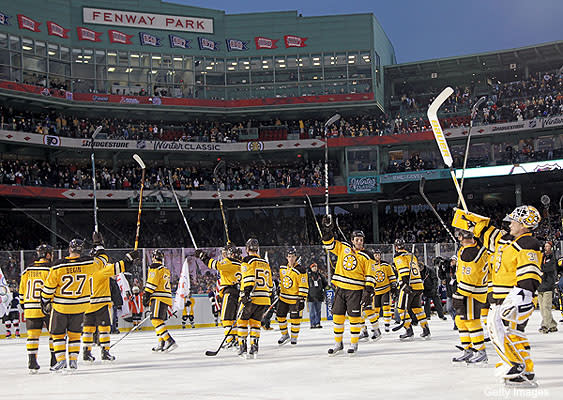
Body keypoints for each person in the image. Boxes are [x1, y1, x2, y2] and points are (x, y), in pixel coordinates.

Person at [453, 205, 542, 386]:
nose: (509, 224)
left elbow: (530, 273)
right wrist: (471, 222)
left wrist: (522, 295)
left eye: (514, 222)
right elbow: (486, 233)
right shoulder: (505, 240)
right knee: (509, 333)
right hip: (501, 298)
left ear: (524, 225)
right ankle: (524, 368)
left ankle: (516, 366)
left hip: (514, 297)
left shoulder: (528, 244)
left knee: (508, 333)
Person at [41, 237, 136, 372]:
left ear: (69, 249)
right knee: (80, 333)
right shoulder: (91, 265)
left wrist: (44, 300)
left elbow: (48, 288)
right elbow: (110, 264)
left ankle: (64, 359)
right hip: (84, 305)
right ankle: (77, 359)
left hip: (64, 306)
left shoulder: (58, 265)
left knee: (59, 334)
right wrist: (127, 259)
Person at [321, 217, 374, 356]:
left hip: (355, 291)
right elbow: (328, 244)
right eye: (357, 240)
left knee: (354, 318)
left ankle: (354, 343)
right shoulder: (343, 247)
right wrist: (327, 230)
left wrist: (368, 291)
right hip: (340, 289)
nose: (359, 242)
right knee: (337, 317)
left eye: (361, 240)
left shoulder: (367, 256)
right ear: (352, 240)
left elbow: (370, 275)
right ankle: (338, 343)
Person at [82, 232, 131, 363]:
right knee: (104, 329)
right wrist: (129, 258)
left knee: (88, 329)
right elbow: (117, 266)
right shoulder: (100, 270)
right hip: (101, 303)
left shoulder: (85, 269)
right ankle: (105, 352)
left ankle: (86, 353)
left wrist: (97, 245)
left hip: (87, 304)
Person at [451, 229, 489, 366]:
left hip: (471, 293)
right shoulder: (470, 248)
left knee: (472, 321)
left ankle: (481, 351)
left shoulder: (470, 253)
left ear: (461, 236)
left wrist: (459, 294)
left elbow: (470, 278)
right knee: (460, 320)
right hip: (471, 290)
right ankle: (468, 349)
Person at [195, 243, 242, 346]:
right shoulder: (241, 263)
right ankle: (235, 339)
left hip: (229, 291)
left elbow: (215, 265)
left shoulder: (229, 262)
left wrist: (203, 257)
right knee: (233, 319)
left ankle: (230, 340)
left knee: (225, 318)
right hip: (238, 292)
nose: (225, 255)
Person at [19, 244, 55, 373]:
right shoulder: (51, 270)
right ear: (48, 255)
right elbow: (53, 288)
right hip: (47, 306)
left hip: (30, 307)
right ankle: (54, 361)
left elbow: (21, 292)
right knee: (54, 334)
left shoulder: (27, 270)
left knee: (32, 336)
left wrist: (25, 305)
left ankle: (32, 362)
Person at [237, 238, 272, 359]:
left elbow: (249, 278)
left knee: (242, 321)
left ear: (247, 249)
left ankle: (242, 347)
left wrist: (246, 294)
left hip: (252, 297)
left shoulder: (247, 260)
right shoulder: (265, 262)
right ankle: (254, 347)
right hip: (264, 298)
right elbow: (271, 284)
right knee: (255, 322)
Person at [393, 239, 431, 340]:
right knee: (417, 308)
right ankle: (426, 329)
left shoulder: (398, 256)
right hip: (418, 285)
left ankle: (408, 330)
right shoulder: (412, 255)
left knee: (401, 309)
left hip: (409, 285)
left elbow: (404, 270)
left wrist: (405, 285)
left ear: (396, 247)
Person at [143, 249, 177, 353]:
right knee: (159, 321)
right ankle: (161, 343)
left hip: (158, 297)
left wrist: (146, 295)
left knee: (155, 320)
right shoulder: (165, 269)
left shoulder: (155, 267)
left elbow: (152, 283)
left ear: (154, 257)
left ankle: (169, 340)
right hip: (166, 298)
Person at [361, 248, 397, 340]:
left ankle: (387, 325)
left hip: (385, 289)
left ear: (380, 255)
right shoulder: (370, 264)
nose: (377, 256)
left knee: (386, 308)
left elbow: (392, 276)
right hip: (375, 291)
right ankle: (375, 327)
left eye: (378, 254)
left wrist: (393, 286)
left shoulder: (386, 265)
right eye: (375, 255)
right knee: (375, 310)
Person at [276, 247, 308, 345]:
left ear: (296, 257)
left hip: (295, 299)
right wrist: (278, 289)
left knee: (295, 318)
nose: (291, 259)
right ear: (286, 257)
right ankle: (285, 334)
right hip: (283, 297)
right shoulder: (282, 268)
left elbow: (304, 285)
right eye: (289, 256)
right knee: (280, 316)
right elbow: (282, 281)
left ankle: (294, 337)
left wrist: (302, 299)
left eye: (293, 256)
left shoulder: (301, 270)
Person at [538, 241, 557, 333]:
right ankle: (552, 325)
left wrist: (539, 268)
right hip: (540, 285)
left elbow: (549, 268)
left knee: (546, 307)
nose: (546, 248)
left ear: (551, 248)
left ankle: (545, 326)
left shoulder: (553, 258)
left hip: (548, 285)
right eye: (545, 246)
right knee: (542, 308)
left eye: (548, 246)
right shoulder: (541, 257)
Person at [307, 262, 327, 329]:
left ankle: (318, 323)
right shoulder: (308, 276)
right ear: (311, 268)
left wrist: (324, 290)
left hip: (319, 296)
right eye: (313, 267)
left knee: (318, 311)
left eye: (315, 266)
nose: (314, 268)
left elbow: (325, 284)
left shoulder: (320, 275)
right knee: (312, 311)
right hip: (310, 296)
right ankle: (312, 324)